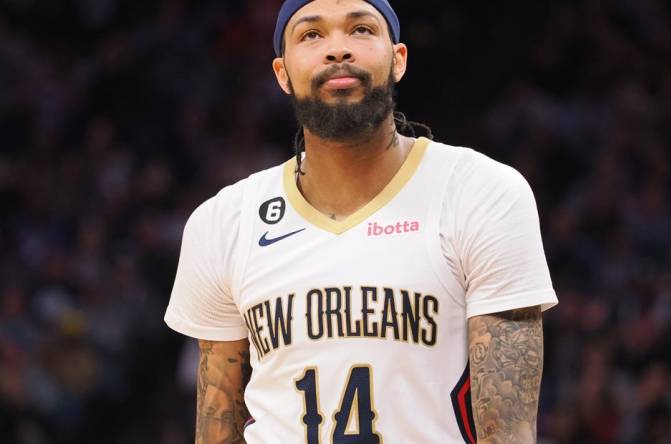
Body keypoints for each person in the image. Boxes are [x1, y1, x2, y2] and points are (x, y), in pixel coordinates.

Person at [164, 0, 558, 442]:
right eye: (311, 35)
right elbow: (217, 428)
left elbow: (508, 431)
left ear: (398, 60)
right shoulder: (224, 222)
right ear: (281, 73)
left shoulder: (481, 192)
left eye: (361, 30)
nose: (338, 50)